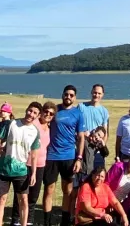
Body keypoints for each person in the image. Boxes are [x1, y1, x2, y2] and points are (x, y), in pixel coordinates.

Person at [0, 102, 42, 226]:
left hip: (21, 170)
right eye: (30, 111)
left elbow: (34, 155)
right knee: (1, 199)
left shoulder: (35, 132)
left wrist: (33, 173)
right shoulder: (11, 124)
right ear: (26, 110)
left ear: (38, 116)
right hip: (4, 168)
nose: (31, 114)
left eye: (35, 113)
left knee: (23, 200)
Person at [44, 85, 87, 226]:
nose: (68, 97)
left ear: (75, 97)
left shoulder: (78, 113)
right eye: (66, 94)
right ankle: (47, 221)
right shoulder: (55, 110)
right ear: (62, 95)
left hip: (69, 156)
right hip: (51, 156)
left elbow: (81, 137)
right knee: (49, 189)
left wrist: (79, 158)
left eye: (71, 95)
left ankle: (65, 220)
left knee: (67, 190)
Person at [27, 102, 55, 226]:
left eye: (51, 113)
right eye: (46, 111)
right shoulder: (34, 123)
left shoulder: (49, 128)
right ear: (41, 112)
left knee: (34, 196)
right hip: (27, 163)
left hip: (41, 165)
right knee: (23, 194)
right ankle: (17, 220)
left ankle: (29, 221)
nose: (48, 114)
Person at [105, 154, 130, 225]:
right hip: (108, 201)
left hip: (121, 205)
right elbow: (106, 184)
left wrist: (123, 212)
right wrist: (110, 202)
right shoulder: (118, 166)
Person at [81, 84, 110, 169]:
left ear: (102, 95)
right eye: (95, 92)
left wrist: (101, 146)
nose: (96, 95)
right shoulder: (82, 107)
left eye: (99, 93)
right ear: (91, 92)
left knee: (98, 175)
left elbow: (105, 132)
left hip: (97, 151)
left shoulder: (104, 111)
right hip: (84, 148)